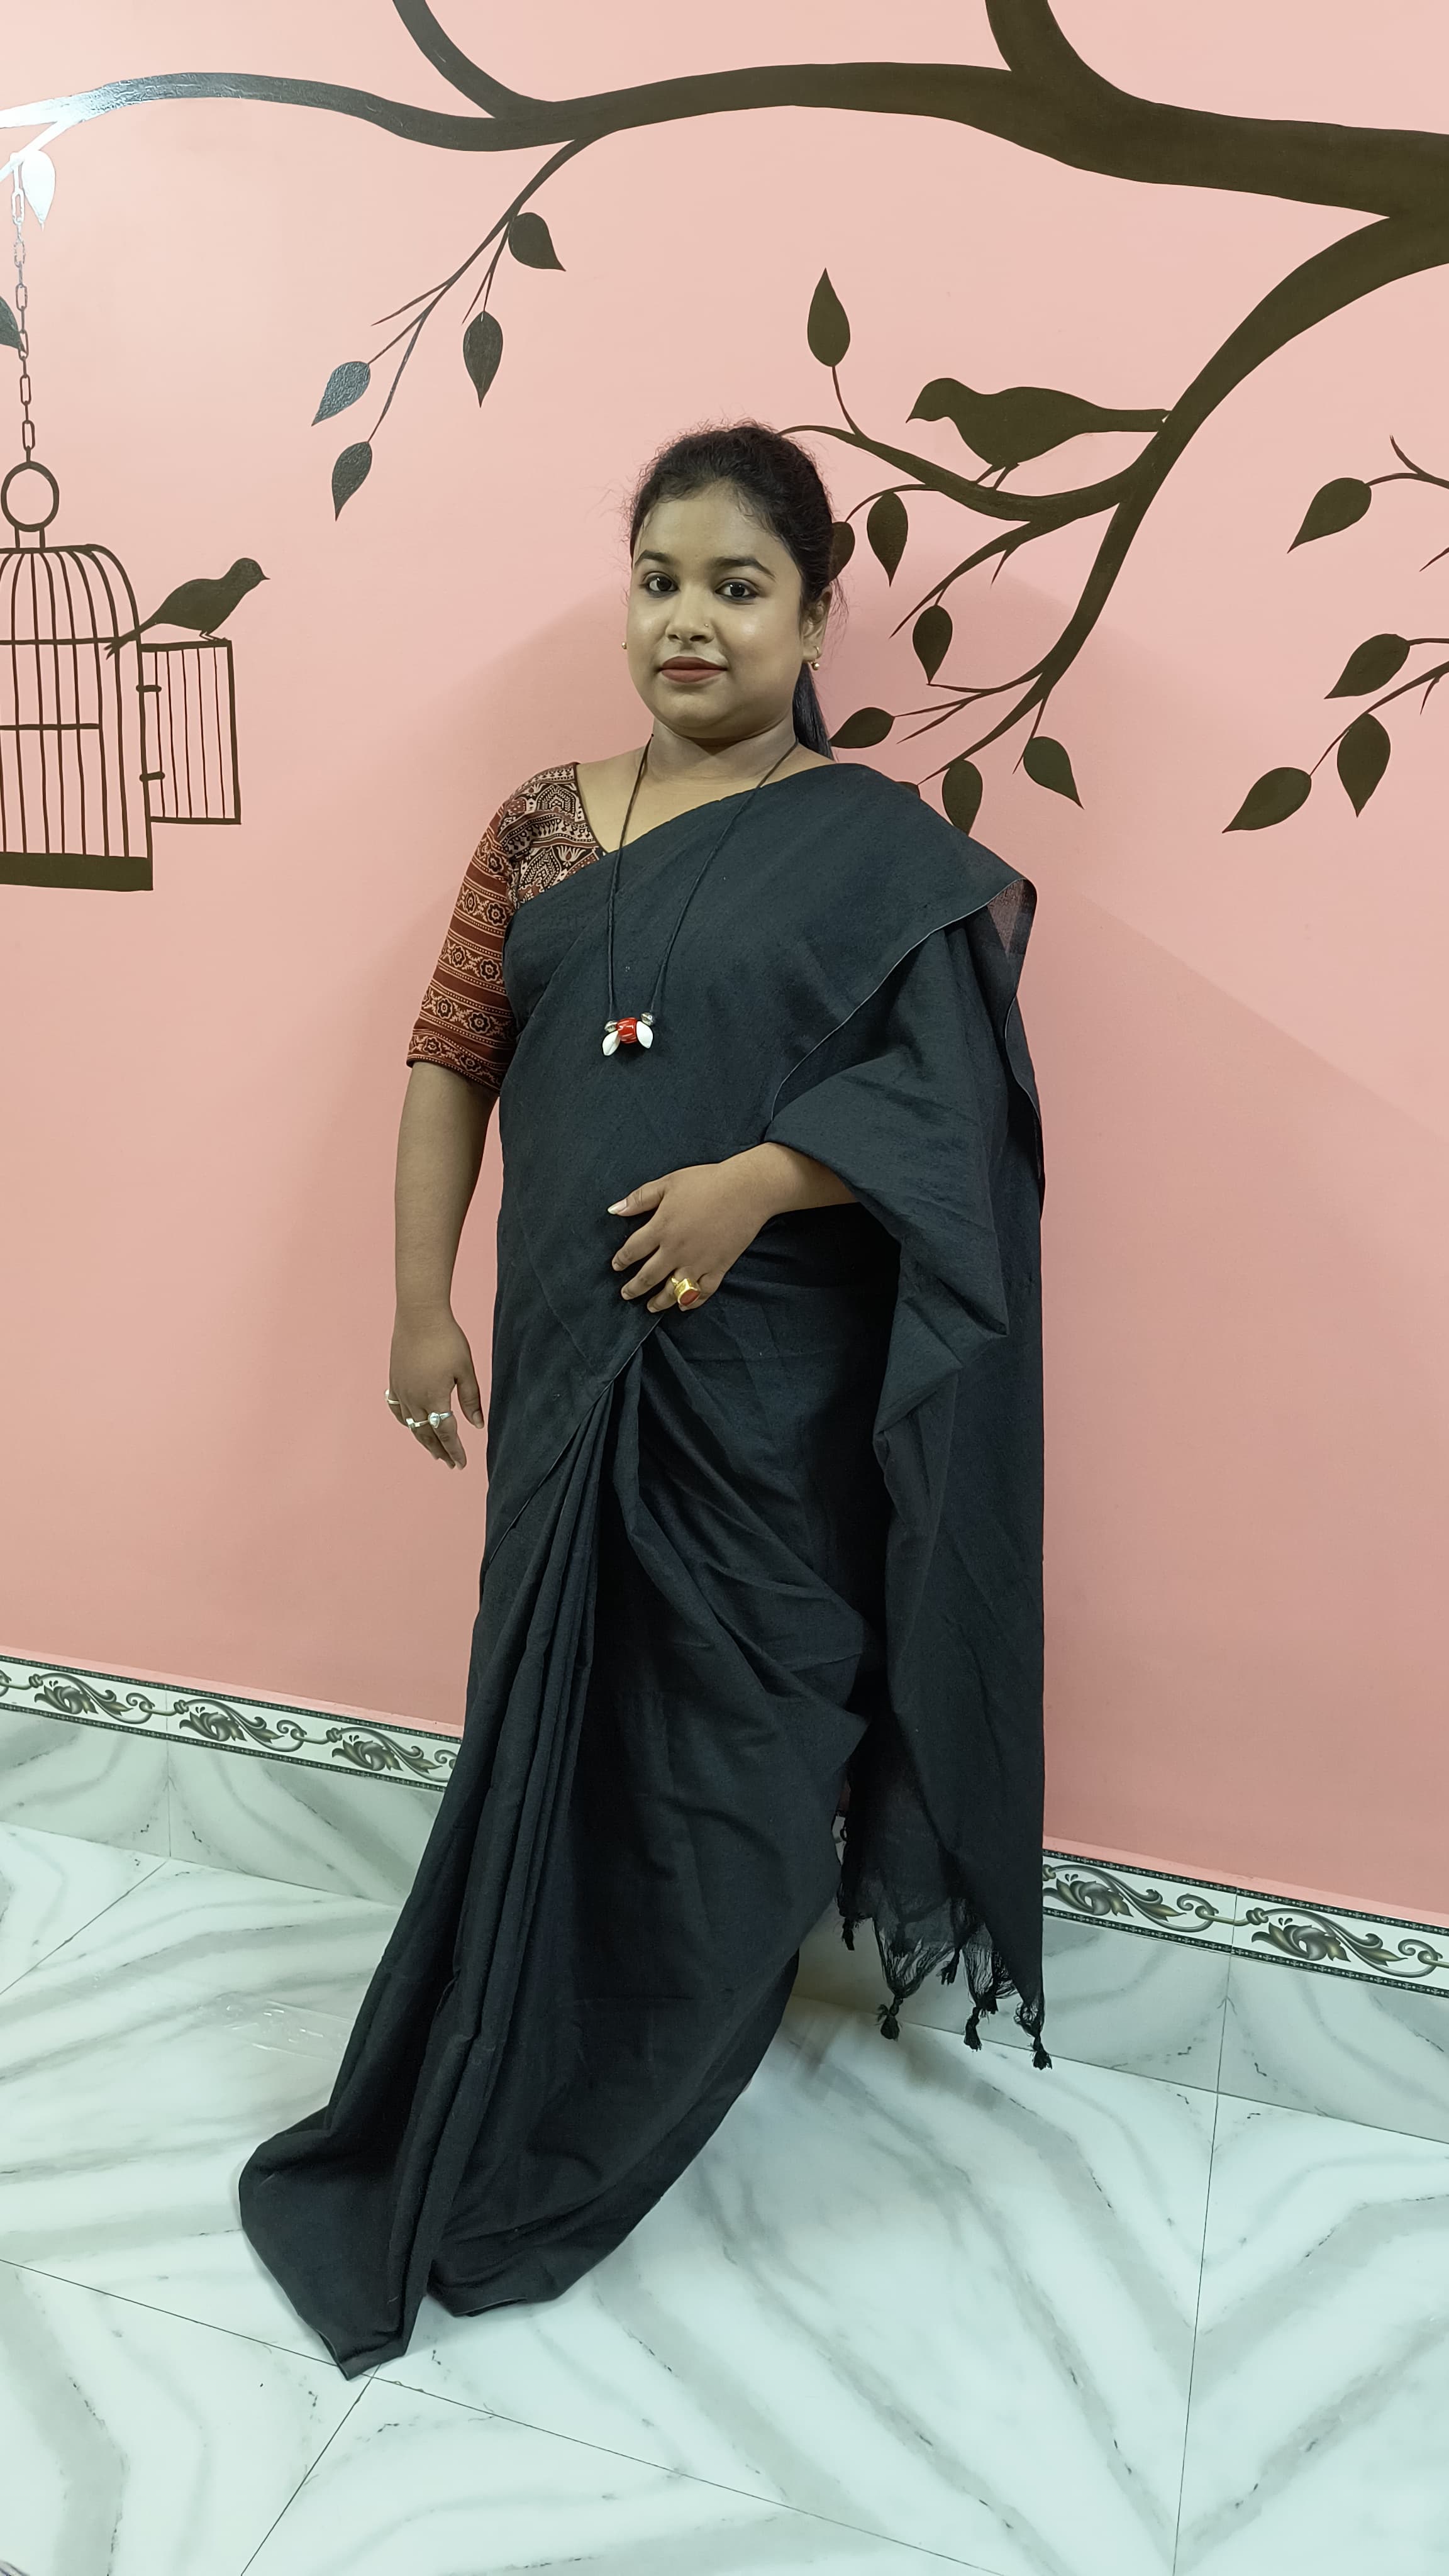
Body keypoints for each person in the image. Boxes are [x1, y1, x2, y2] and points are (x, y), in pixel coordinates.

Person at [240, 422, 1048, 2379]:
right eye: (661, 580)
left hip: (769, 1395)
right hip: (564, 1359)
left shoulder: (877, 849)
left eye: (737, 586)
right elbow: (451, 1060)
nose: (691, 619)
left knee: (746, 1747)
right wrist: (418, 1306)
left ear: (815, 614)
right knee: (552, 1705)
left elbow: (955, 1115)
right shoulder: (539, 824)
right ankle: (507, 2047)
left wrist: (761, 1181)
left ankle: (645, 2067)